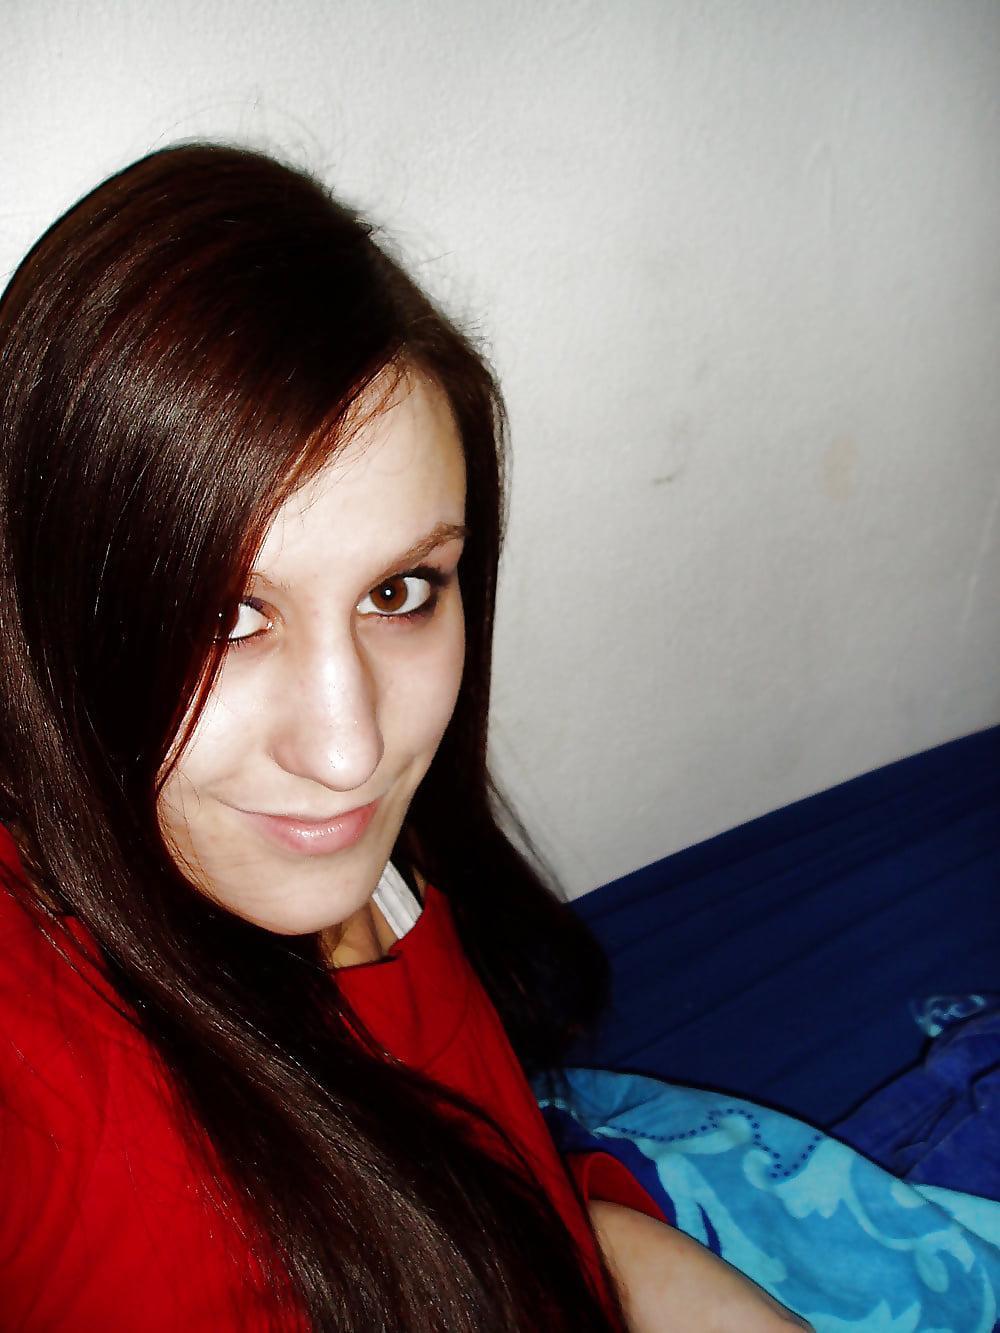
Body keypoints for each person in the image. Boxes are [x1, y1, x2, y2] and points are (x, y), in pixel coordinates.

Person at [0, 142, 809, 1331]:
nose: (351, 749)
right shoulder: (108, 1182)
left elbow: (490, 1184)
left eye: (398, 591)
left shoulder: (294, 854)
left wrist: (613, 1245)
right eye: (226, 615)